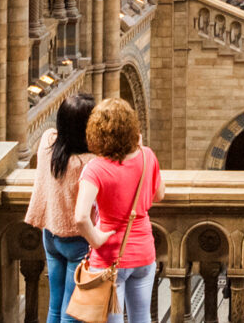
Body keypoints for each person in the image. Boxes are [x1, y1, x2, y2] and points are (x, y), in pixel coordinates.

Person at [74, 97, 160, 323]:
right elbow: (159, 194)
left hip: (109, 255)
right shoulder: (147, 155)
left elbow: (81, 217)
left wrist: (96, 239)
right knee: (142, 318)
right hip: (143, 252)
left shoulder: (95, 169)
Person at [27, 93, 94, 323]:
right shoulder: (89, 163)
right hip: (77, 241)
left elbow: (56, 133)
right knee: (71, 310)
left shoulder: (47, 143)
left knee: (54, 308)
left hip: (51, 235)